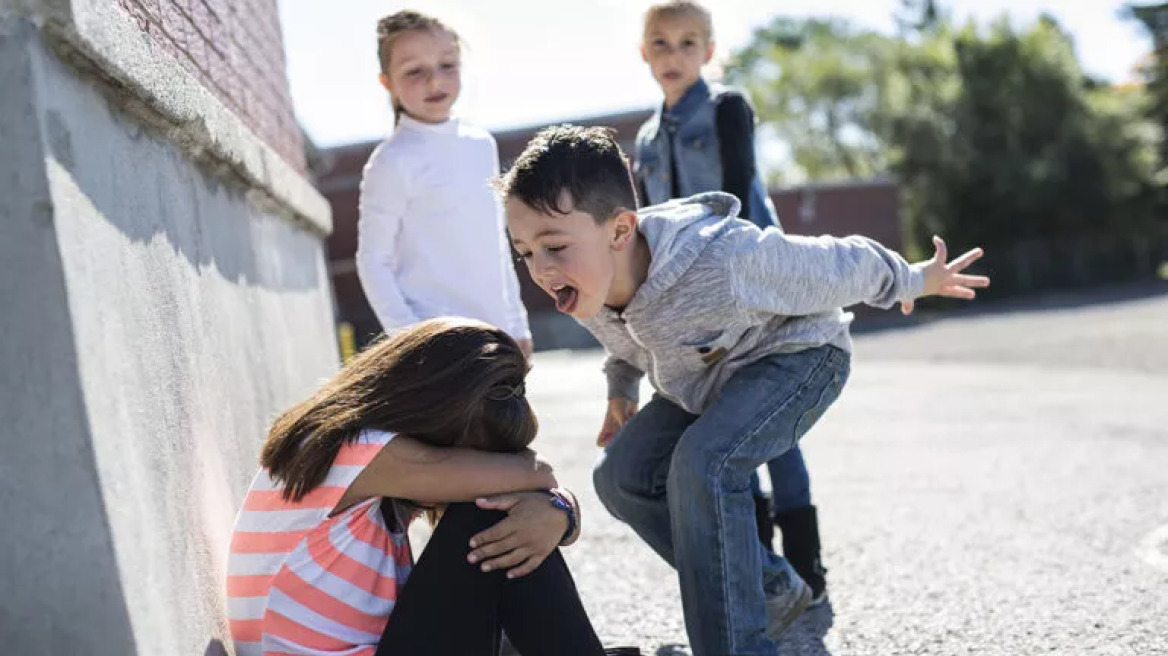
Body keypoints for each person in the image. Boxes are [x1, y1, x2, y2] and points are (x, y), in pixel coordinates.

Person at [499, 125, 989, 656]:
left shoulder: (723, 260)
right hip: (705, 380)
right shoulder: (588, 282)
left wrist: (915, 279)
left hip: (799, 357)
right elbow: (626, 344)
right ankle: (769, 588)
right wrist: (621, 392)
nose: (540, 270)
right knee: (620, 476)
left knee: (703, 463)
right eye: (524, 252)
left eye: (553, 246)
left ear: (620, 231)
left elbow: (837, 262)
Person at [225, 318, 637, 655]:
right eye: (473, 458)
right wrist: (556, 507)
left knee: (506, 537)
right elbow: (539, 473)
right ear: (433, 416)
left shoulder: (350, 457)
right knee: (487, 514)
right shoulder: (357, 450)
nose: (473, 472)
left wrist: (560, 513)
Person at [632, 0, 823, 593]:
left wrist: (761, 285)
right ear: (644, 52)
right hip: (690, 303)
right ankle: (765, 572)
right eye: (661, 43)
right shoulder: (643, 138)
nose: (674, 55)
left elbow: (740, 194)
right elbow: (648, 225)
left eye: (689, 43)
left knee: (774, 427)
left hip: (753, 288)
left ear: (709, 52)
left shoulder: (726, 108)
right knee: (726, 427)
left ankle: (806, 567)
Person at [357, 11, 532, 358]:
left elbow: (496, 244)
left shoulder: (481, 144)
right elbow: (372, 261)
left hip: (496, 337)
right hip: (436, 346)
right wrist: (411, 339)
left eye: (447, 65)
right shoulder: (392, 161)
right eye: (414, 71)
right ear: (387, 83)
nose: (434, 81)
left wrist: (517, 324)